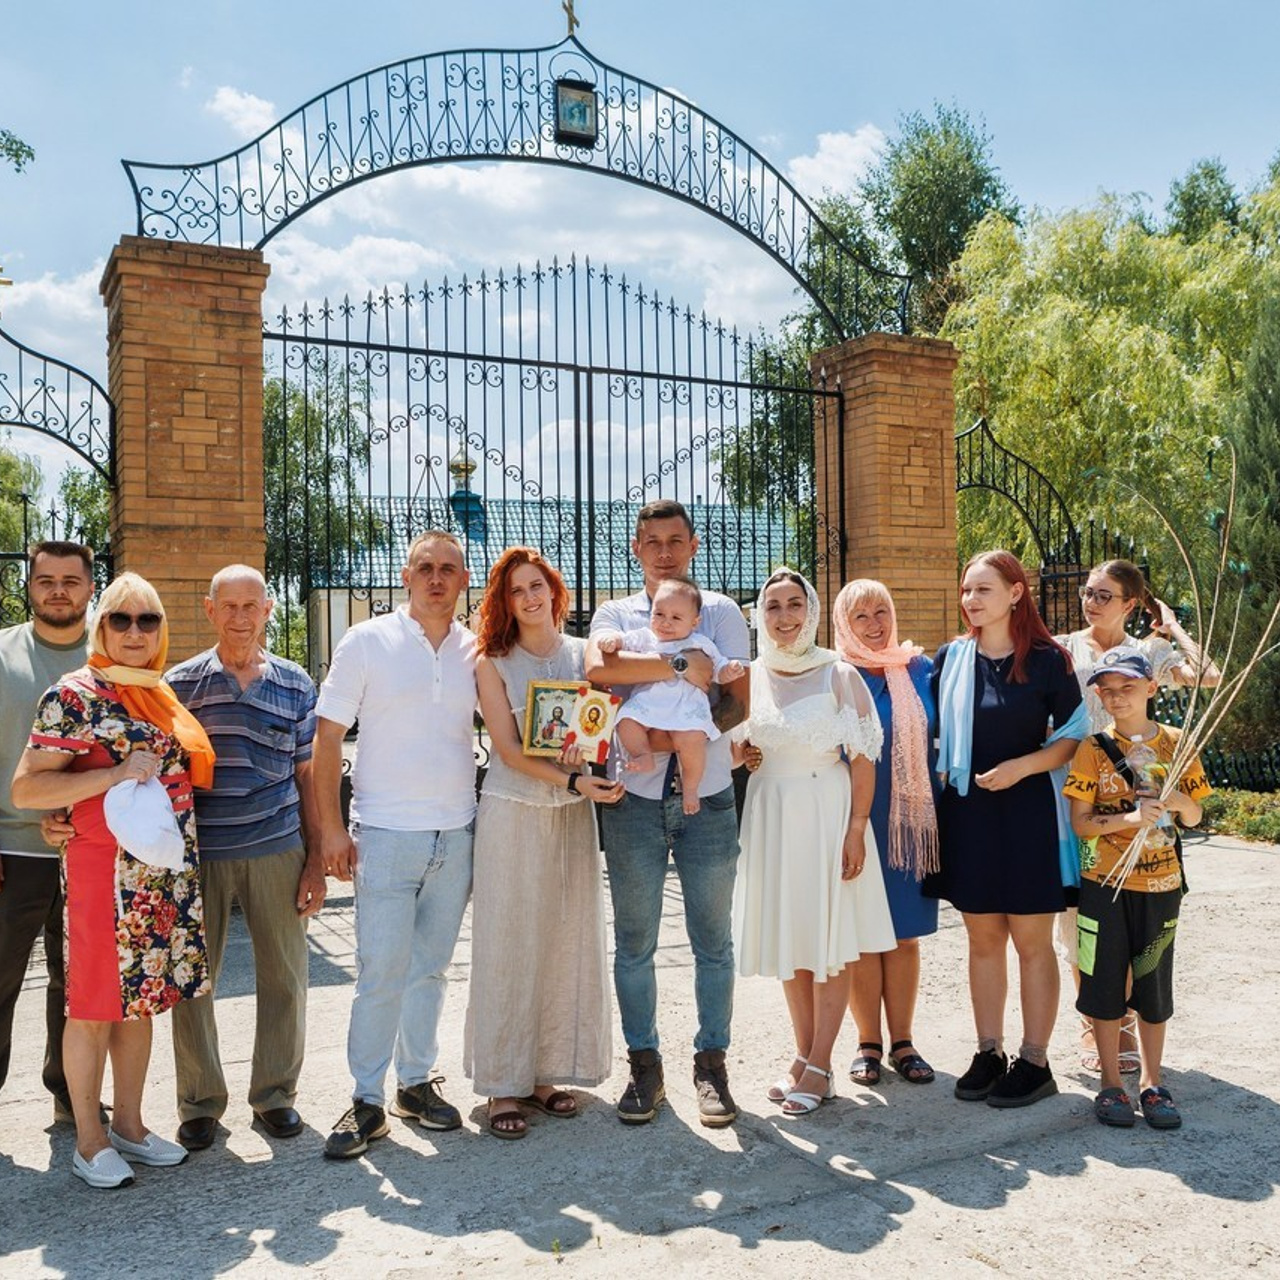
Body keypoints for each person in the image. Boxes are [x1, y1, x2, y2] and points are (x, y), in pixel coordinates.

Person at [11, 572, 213, 1188]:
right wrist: (113, 774)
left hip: (162, 876)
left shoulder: (160, 693)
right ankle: (89, 1141)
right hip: (105, 877)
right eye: (120, 619)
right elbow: (27, 787)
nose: (134, 631)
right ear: (102, 628)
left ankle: (129, 1124)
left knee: (142, 1001)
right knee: (94, 1005)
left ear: (161, 631)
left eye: (147, 620)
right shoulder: (73, 695)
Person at [584, 498, 750, 1127]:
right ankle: (644, 1067)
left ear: (693, 545)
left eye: (674, 540)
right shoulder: (615, 614)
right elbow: (601, 675)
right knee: (635, 942)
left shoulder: (723, 613)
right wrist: (683, 665)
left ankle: (712, 1064)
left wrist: (661, 680)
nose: (663, 551)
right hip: (633, 802)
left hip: (708, 798)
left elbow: (734, 703)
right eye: (651, 541)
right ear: (636, 548)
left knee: (713, 940)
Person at [313, 530, 477, 1159]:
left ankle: (414, 1084)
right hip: (383, 835)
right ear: (407, 576)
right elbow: (327, 739)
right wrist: (331, 828)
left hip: (456, 833)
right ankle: (364, 1099)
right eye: (425, 568)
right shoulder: (367, 641)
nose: (436, 578)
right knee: (380, 973)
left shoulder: (475, 651)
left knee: (430, 970)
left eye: (448, 570)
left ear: (463, 581)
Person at [465, 548, 622, 1138]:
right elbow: (506, 749)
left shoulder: (583, 654)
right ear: (503, 603)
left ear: (554, 590)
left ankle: (544, 1075)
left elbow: (599, 725)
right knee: (510, 942)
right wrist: (574, 779)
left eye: (537, 585)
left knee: (563, 940)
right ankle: (504, 1082)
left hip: (572, 816)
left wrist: (593, 768)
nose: (528, 598)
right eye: (515, 591)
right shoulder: (492, 662)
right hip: (513, 812)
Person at [165, 566, 323, 1148]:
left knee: (285, 975)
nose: (239, 617)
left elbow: (307, 775)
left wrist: (314, 860)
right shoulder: (179, 686)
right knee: (193, 982)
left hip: (277, 845)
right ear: (209, 611)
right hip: (198, 854)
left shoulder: (295, 683)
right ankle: (200, 1102)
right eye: (227, 606)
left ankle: (275, 1095)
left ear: (268, 610)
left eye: (249, 606)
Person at [927, 550, 1088, 1109]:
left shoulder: (1049, 660)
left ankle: (1036, 1061)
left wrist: (1024, 766)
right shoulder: (950, 658)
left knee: (1031, 943)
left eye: (984, 590)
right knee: (983, 940)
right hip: (968, 814)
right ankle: (989, 1051)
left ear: (1016, 593)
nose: (971, 600)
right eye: (967, 590)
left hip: (1028, 818)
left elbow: (1072, 736)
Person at [731, 569, 894, 1115]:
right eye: (772, 606)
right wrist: (745, 753)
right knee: (792, 940)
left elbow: (864, 757)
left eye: (794, 604)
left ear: (812, 610)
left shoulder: (838, 674)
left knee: (829, 939)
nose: (783, 617)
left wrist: (856, 827)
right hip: (771, 812)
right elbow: (733, 748)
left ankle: (822, 1061)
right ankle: (805, 1057)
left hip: (828, 811)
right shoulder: (749, 677)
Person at [1055, 558, 1220, 1074]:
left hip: (1145, 794)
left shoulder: (1150, 651)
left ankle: (1128, 1022)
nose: (1092, 602)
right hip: (1083, 789)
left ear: (1131, 603)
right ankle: (1097, 1021)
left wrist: (1174, 628)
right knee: (1081, 917)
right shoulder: (1064, 647)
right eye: (1088, 593)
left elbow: (1210, 678)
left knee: (1138, 918)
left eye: (1105, 595)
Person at [1062, 646, 1212, 1129]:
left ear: (1151, 688)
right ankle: (1110, 1082)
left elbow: (1196, 815)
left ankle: (1152, 1081)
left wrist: (1174, 802)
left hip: (1162, 883)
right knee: (1102, 981)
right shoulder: (1092, 748)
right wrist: (1129, 817)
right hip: (1103, 883)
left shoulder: (1177, 743)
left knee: (1153, 984)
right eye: (1107, 690)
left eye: (1127, 688)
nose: (1116, 697)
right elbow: (1081, 825)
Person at [0, 542, 95, 1127]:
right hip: (11, 849)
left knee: (75, 983)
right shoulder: (3, 652)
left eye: (70, 580)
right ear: (30, 586)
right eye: (46, 580)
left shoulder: (109, 657)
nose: (58, 590)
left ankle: (68, 1091)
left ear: (90, 586)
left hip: (86, 849)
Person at [833, 579, 940, 1087]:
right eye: (861, 617)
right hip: (853, 817)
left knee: (902, 935)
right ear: (842, 624)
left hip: (910, 820)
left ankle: (904, 1042)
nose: (875, 625)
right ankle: (867, 1043)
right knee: (860, 936)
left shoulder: (920, 668)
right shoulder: (833, 674)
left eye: (881, 612)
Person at [596, 575, 745, 813]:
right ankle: (642, 754)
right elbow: (624, 641)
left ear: (694, 622)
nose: (666, 622)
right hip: (649, 703)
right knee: (625, 722)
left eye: (676, 617)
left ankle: (691, 787)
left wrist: (729, 670)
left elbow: (716, 669)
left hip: (686, 708)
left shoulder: (701, 643)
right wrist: (611, 640)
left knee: (693, 742)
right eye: (659, 614)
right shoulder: (646, 637)